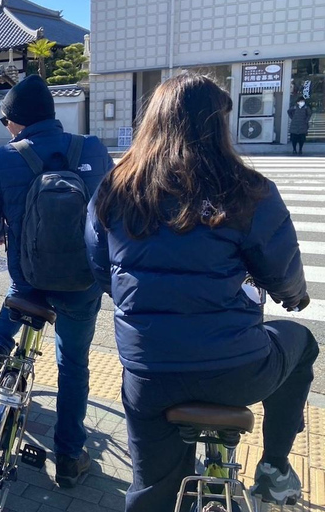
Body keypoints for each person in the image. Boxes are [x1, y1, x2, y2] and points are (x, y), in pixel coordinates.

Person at [85, 74, 319, 511]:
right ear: (218, 125)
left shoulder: (114, 188)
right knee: (301, 344)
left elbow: (103, 272)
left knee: (152, 487)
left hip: (149, 371)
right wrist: (295, 297)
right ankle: (273, 470)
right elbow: (282, 272)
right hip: (238, 370)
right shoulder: (247, 189)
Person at [0, 75, 114, 488]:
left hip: (30, 279)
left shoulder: (4, 157)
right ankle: (69, 456)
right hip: (81, 284)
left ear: (16, 122)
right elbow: (115, 210)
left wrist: (1, 227)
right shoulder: (92, 148)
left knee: (18, 294)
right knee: (73, 366)